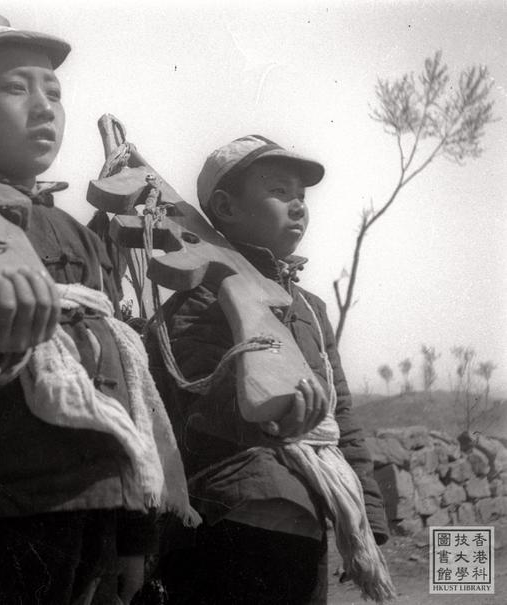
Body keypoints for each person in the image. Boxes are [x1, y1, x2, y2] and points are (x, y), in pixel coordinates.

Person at [0, 15, 194, 605]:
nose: (44, 107)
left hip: (93, 518)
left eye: (55, 92)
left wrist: (132, 537)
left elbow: (123, 391)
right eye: (16, 88)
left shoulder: (81, 237)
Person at [147, 135, 393, 604]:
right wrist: (273, 413)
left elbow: (341, 422)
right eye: (279, 192)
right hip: (232, 520)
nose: (298, 206)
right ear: (226, 206)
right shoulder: (195, 304)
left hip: (308, 520)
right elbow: (190, 408)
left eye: (301, 196)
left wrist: (369, 520)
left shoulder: (310, 310)